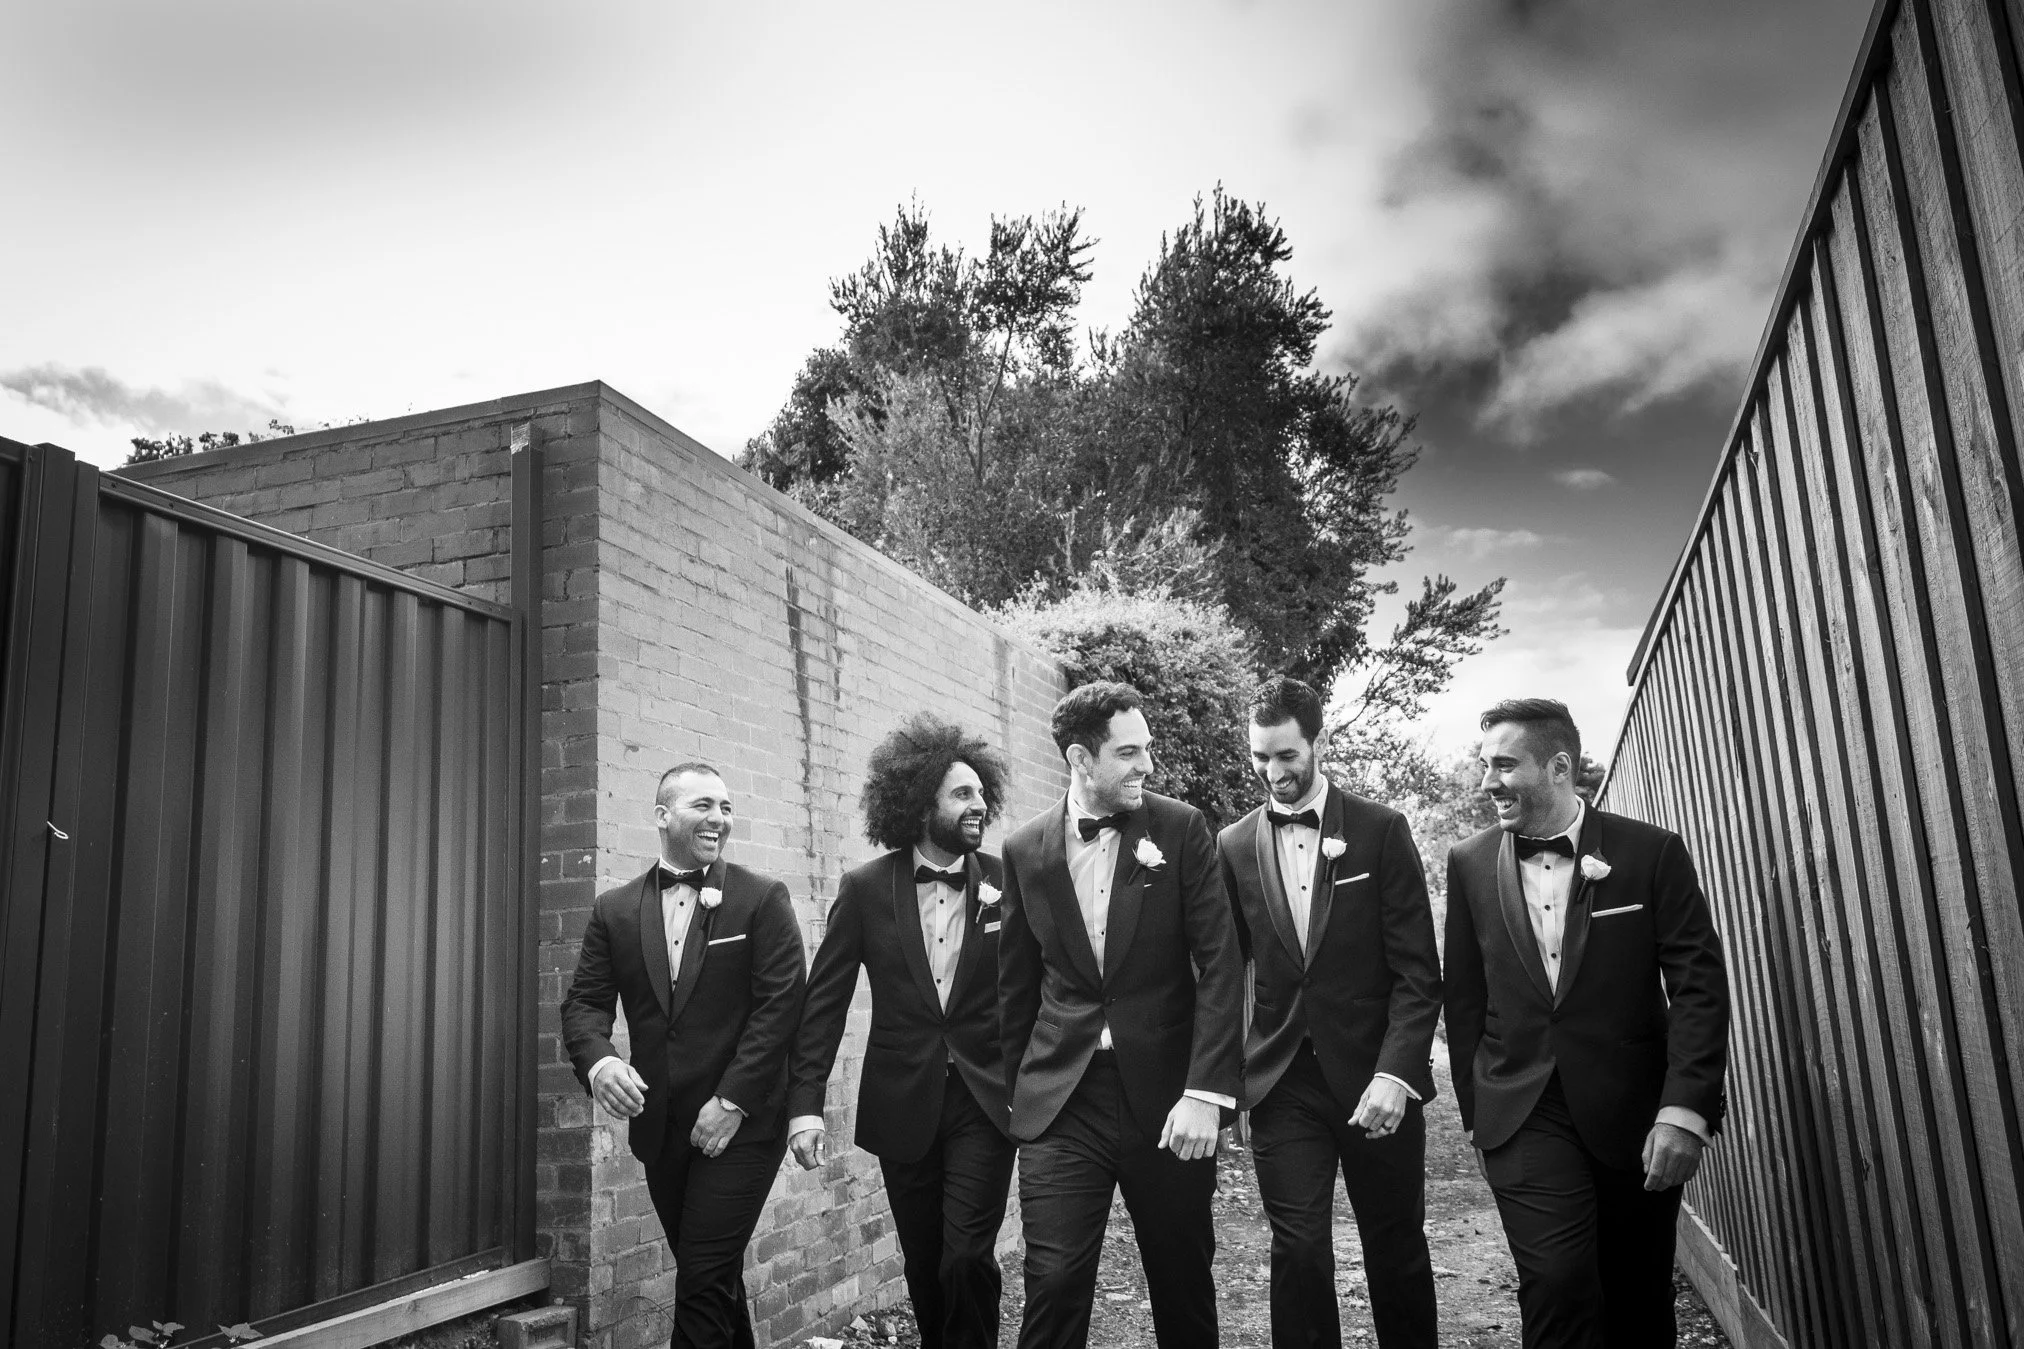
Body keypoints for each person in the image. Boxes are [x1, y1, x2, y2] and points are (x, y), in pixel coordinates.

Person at [1443, 699, 1730, 1348]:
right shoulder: (1467, 861)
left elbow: (1698, 986)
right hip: (1522, 1108)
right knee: (1558, 1279)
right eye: (1483, 763)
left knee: (1636, 1294)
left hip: (1635, 1110)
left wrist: (1684, 1108)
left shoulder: (1650, 853)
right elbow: (1461, 994)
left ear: (1560, 767)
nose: (1488, 780)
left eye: (1505, 764)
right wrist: (1475, 1106)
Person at [998, 680, 1245, 1349]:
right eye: (1130, 751)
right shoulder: (1025, 850)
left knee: (1181, 1277)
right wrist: (1016, 1101)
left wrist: (1205, 1091)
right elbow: (1016, 989)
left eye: (1149, 749)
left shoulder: (1181, 828)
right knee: (1051, 1279)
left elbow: (1220, 964)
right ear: (1081, 758)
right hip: (1064, 1101)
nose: (1148, 766)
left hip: (1168, 1097)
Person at [1220, 677, 1441, 1349]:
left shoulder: (1380, 830)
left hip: (1376, 1076)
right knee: (1299, 1246)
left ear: (1318, 742)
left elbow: (1417, 972)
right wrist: (1226, 1084)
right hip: (1283, 1079)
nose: (1273, 772)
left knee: (1395, 1242)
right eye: (1260, 756)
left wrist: (1397, 1072)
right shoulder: (1232, 844)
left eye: (1286, 755)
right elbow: (1225, 974)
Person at [785, 715, 1017, 1349]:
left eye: (980, 794)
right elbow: (824, 1004)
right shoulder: (865, 889)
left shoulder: (1006, 881)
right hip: (902, 1100)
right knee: (924, 1261)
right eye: (962, 795)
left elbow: (1037, 988)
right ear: (920, 807)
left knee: (966, 1255)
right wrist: (803, 1106)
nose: (979, 807)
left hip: (985, 1099)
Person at [561, 762, 807, 1349]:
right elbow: (584, 1006)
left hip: (743, 1125)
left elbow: (782, 1008)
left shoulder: (761, 898)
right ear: (662, 815)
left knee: (699, 1282)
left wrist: (733, 1100)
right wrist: (600, 1063)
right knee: (714, 1279)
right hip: (661, 1127)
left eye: (725, 806)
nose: (719, 818)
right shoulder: (614, 910)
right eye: (703, 805)